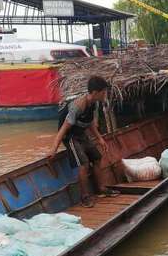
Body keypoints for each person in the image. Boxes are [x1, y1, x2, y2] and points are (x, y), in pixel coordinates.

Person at [48, 75, 117, 207]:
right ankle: (84, 197)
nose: (105, 94)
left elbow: (90, 123)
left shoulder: (94, 103)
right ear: (96, 92)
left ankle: (101, 188)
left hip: (81, 134)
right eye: (104, 92)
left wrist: (100, 139)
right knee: (83, 164)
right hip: (70, 137)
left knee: (97, 158)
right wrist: (53, 149)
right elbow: (62, 130)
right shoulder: (77, 106)